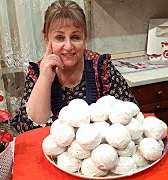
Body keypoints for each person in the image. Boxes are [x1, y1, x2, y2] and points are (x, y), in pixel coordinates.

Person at [12, 0, 137, 133]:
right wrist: (45, 79)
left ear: (85, 39)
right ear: (47, 40)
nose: (68, 46)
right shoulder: (37, 72)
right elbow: (29, 129)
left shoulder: (101, 67)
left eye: (75, 37)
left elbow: (130, 114)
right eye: (59, 38)